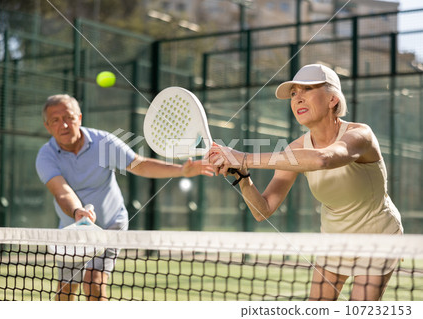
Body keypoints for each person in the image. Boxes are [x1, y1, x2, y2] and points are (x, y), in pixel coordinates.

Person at [206, 64, 403, 301]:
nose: (297, 98)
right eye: (293, 94)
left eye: (306, 89)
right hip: (334, 239)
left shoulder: (361, 135)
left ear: (332, 99)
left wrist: (244, 157)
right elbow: (263, 210)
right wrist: (243, 176)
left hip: (378, 239)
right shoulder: (295, 149)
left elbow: (323, 159)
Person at [36, 94, 213, 301]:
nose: (64, 124)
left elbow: (139, 164)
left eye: (69, 117)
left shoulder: (104, 143)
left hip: (111, 223)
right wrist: (78, 212)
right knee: (66, 289)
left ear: (80, 118)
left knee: (94, 282)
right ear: (47, 126)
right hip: (73, 230)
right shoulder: (46, 156)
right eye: (55, 120)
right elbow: (62, 191)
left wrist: (181, 170)